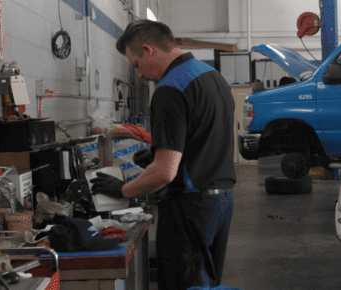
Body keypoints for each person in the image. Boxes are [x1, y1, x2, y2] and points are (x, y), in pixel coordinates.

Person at [89, 19, 236, 289]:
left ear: (148, 50)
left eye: (136, 65)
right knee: (206, 285)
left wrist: (123, 189)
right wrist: (157, 153)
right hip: (222, 203)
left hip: (189, 209)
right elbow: (203, 140)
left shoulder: (170, 88)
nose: (141, 75)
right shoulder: (211, 76)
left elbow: (164, 172)